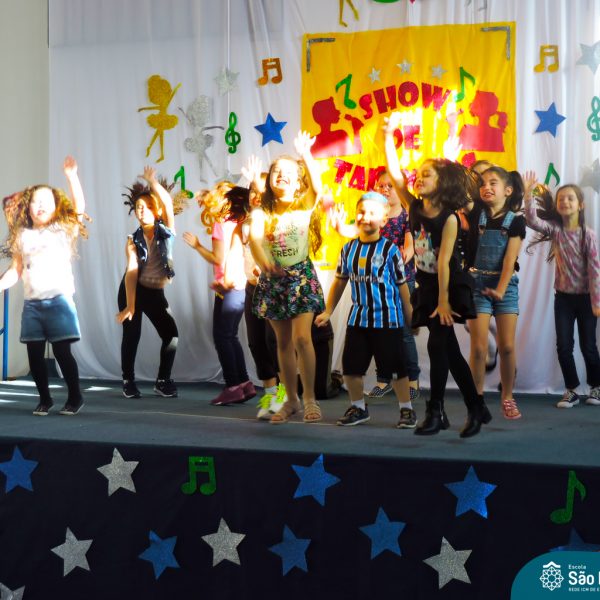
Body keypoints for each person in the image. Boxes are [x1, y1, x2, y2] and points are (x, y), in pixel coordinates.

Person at [383, 112, 490, 437]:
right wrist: (387, 136)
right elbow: (395, 174)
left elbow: (444, 263)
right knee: (450, 352)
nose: (418, 178)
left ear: (441, 183)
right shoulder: (415, 207)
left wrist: (444, 302)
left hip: (450, 287)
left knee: (437, 346)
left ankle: (435, 411)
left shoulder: (450, 218)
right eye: (418, 174)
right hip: (428, 285)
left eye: (426, 175)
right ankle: (476, 406)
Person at [315, 191, 416, 428]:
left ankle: (407, 409)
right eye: (361, 212)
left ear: (384, 220)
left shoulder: (390, 251)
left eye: (372, 213)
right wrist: (328, 311)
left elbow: (402, 287)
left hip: (388, 321)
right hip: (358, 320)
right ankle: (359, 407)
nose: (365, 216)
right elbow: (339, 282)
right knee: (351, 369)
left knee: (396, 370)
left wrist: (410, 316)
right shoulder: (348, 249)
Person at [0, 156, 88, 415]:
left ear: (56, 206)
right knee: (34, 354)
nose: (39, 206)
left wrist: (72, 177)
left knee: (61, 351)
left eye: (46, 201)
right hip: (33, 305)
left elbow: (79, 208)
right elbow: (16, 270)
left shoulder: (63, 229)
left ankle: (75, 397)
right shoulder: (22, 236)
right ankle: (45, 399)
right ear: (28, 207)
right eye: (35, 202)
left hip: (59, 302)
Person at [249, 132, 325, 424]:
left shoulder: (302, 205)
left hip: (300, 278)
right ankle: (291, 399)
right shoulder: (262, 212)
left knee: (302, 338)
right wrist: (265, 263)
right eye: (276, 172)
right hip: (274, 281)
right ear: (269, 180)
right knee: (281, 343)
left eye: (288, 172)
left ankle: (310, 399)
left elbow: (317, 187)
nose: (280, 175)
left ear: (297, 182)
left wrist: (306, 155)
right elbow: (255, 241)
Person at [524, 174, 600, 407]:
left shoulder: (588, 235)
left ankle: (596, 387)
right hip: (564, 300)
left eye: (570, 198)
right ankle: (572, 390)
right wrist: (528, 195)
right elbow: (532, 221)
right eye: (561, 199)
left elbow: (595, 270)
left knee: (588, 347)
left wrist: (596, 302)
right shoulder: (556, 230)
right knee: (564, 346)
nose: (565, 202)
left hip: (586, 299)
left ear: (580, 205)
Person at [184, 184, 257, 405]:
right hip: (242, 286)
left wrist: (197, 246)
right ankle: (244, 383)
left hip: (228, 286)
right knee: (230, 335)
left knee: (222, 336)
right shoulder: (241, 222)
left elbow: (217, 258)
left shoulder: (221, 223)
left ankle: (233, 386)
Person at [467, 166, 525, 419]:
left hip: (505, 286)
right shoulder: (476, 214)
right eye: (482, 183)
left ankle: (508, 396)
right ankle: (476, 399)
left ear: (508, 191)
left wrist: (500, 290)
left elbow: (510, 259)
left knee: (507, 346)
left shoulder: (516, 220)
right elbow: (463, 190)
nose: (486, 187)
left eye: (493, 183)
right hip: (478, 285)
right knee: (479, 348)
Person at [117, 166, 179, 398]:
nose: (142, 211)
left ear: (157, 210)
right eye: (138, 208)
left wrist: (153, 182)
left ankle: (162, 381)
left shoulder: (166, 231)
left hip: (154, 292)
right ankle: (128, 381)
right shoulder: (132, 240)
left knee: (171, 335)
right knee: (132, 335)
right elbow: (132, 272)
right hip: (132, 290)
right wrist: (130, 306)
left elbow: (168, 204)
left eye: (147, 207)